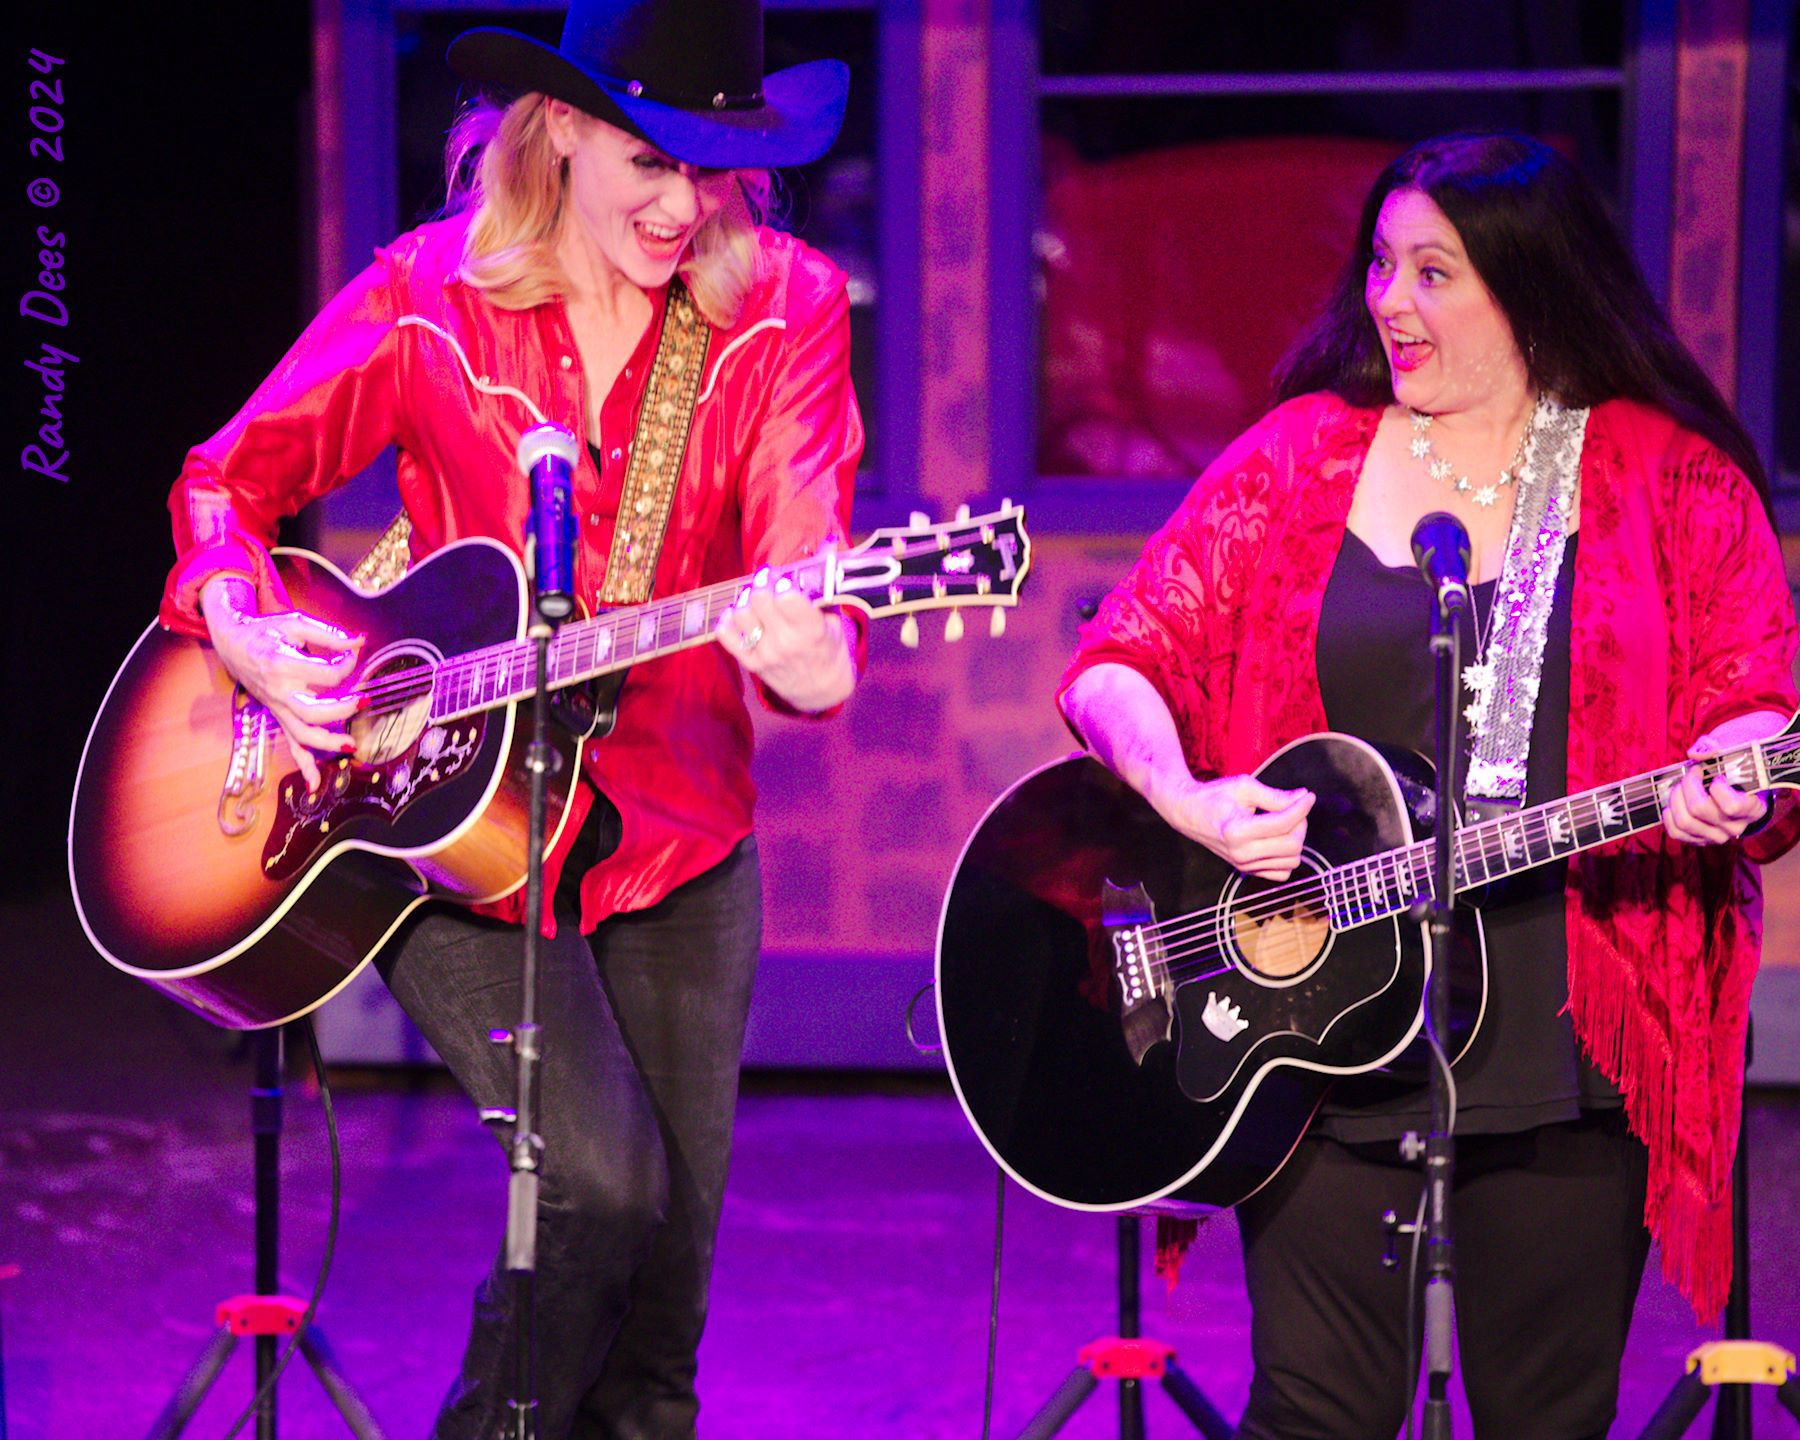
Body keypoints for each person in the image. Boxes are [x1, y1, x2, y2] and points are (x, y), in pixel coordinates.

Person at [155, 1, 862, 1434]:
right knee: (601, 1186)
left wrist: (815, 658)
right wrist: (238, 617)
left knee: (665, 1306)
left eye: (711, 169)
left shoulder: (784, 306)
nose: (681, 204)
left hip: (679, 828)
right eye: (647, 159)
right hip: (442, 824)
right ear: (558, 130)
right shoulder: (429, 295)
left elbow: (806, 558)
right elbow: (227, 479)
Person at [1058, 131, 1797, 1438]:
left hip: (1570, 1058)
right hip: (1321, 1041)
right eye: (1384, 265)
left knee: (1543, 1417)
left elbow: (1754, 692)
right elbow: (1121, 659)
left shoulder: (1669, 479)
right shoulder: (1297, 462)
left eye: (1434, 270)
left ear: (1531, 283)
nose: (1390, 300)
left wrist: (1726, 767)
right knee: (1310, 1410)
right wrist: (1181, 795)